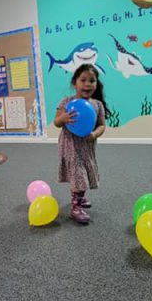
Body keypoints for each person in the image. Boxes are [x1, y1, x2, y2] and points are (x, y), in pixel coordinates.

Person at [53, 63, 110, 224]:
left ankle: (80, 197)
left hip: (87, 146)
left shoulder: (97, 105)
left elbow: (102, 125)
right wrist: (63, 119)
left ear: (96, 84)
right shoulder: (66, 102)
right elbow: (56, 122)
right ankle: (75, 207)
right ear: (74, 82)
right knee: (78, 175)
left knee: (84, 173)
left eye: (92, 80)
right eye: (83, 79)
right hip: (70, 146)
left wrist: (94, 134)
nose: (87, 84)